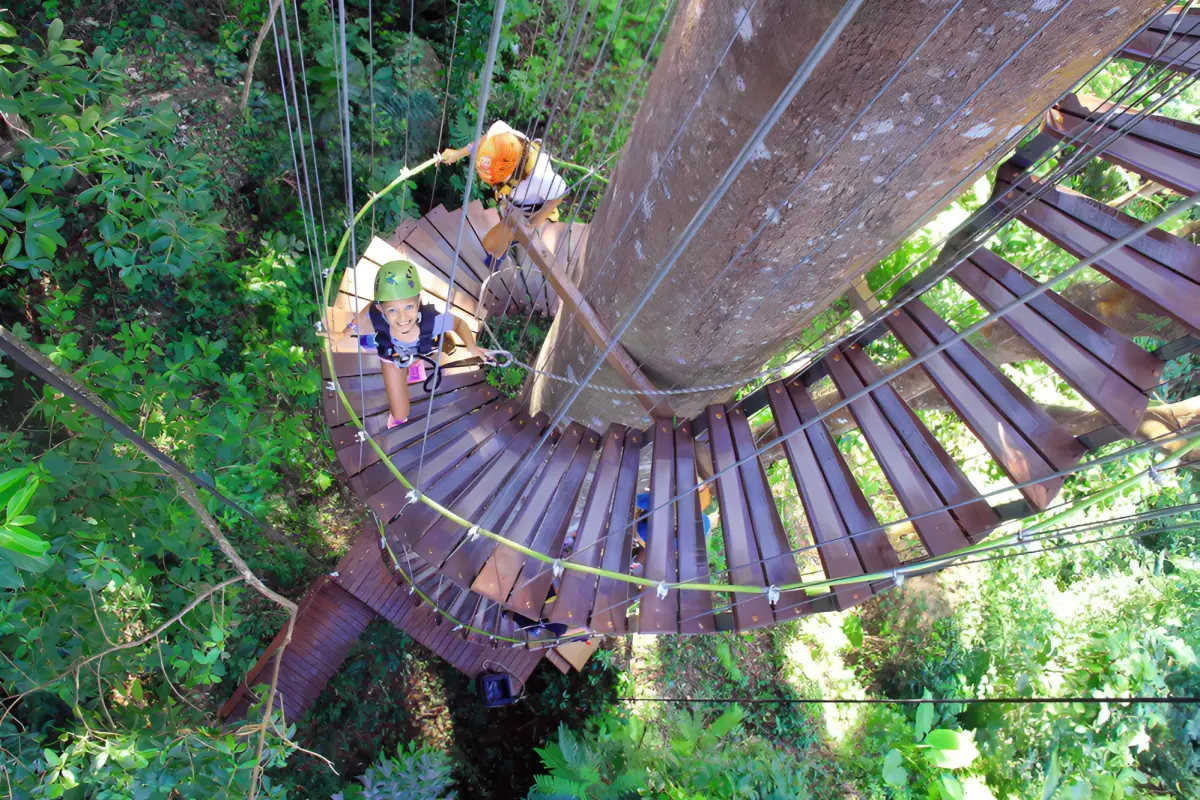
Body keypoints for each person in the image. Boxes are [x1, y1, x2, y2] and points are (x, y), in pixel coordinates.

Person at [340, 260, 494, 429]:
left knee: (416, 352)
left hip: (420, 349)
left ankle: (414, 364)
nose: (402, 318)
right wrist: (345, 332)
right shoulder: (377, 318)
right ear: (381, 310)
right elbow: (367, 311)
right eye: (392, 310)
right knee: (400, 413)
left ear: (419, 302)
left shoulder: (431, 322)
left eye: (408, 307)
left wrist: (471, 346)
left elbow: (457, 323)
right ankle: (411, 371)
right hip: (392, 356)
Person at [438, 120, 568, 270]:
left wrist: (536, 221)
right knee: (499, 237)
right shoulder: (502, 137)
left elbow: (560, 193)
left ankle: (498, 257)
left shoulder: (539, 176)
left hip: (528, 209)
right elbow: (487, 139)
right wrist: (458, 153)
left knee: (497, 242)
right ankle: (502, 249)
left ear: (514, 172)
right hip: (511, 202)